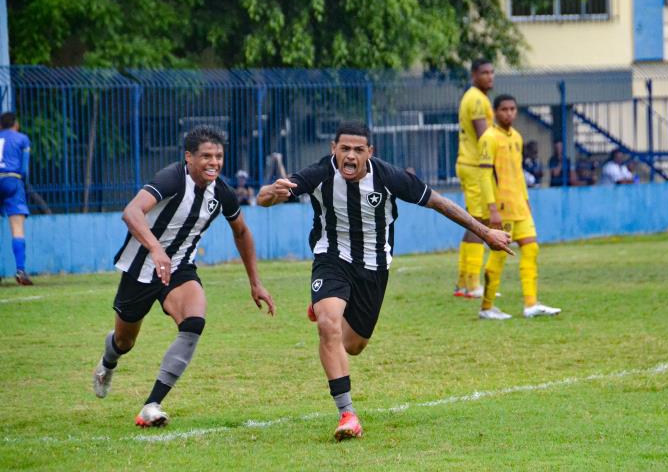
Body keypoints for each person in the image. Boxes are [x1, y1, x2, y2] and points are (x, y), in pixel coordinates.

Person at [256, 121, 512, 440]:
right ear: (333, 149)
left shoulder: (388, 176)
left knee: (353, 345)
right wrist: (271, 192)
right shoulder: (319, 173)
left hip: (374, 267)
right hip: (331, 258)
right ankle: (347, 413)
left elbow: (438, 202)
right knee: (328, 326)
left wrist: (485, 232)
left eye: (358, 150)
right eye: (344, 149)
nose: (350, 156)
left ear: (369, 152)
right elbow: (265, 198)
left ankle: (326, 306)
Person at [92, 125, 275, 426]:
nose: (213, 162)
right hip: (140, 268)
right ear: (188, 157)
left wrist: (255, 282)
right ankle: (108, 362)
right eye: (206, 156)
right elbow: (132, 212)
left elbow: (241, 231)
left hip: (179, 269)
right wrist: (155, 248)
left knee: (194, 321)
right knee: (125, 341)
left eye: (218, 156)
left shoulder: (222, 192)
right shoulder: (172, 178)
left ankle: (152, 405)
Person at [476, 95, 561, 320]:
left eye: (513, 109)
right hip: (501, 207)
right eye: (504, 109)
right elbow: (484, 176)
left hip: (519, 206)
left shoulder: (517, 137)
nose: (509, 113)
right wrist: (492, 208)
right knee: (498, 257)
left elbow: (518, 174)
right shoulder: (489, 138)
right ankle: (486, 307)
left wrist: (526, 200)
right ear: (495, 111)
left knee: (531, 249)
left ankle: (531, 304)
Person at [454, 58, 495, 299]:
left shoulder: (474, 96)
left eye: (492, 72)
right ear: (473, 75)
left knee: (473, 219)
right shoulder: (477, 99)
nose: (490, 77)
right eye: (485, 73)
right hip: (474, 165)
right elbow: (484, 136)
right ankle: (472, 284)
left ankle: (462, 283)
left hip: (467, 163)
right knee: (478, 222)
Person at [0, 112, 33, 285]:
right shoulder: (22, 138)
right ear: (16, 124)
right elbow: (25, 169)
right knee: (17, 227)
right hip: (13, 180)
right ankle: (20, 271)